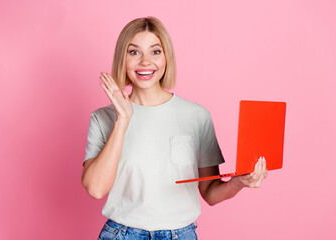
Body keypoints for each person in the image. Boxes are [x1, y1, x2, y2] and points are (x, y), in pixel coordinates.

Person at [81, 16, 267, 240]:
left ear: (166, 57)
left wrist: (238, 182)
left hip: (180, 235)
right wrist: (122, 120)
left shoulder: (197, 116)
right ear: (123, 58)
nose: (145, 62)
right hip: (121, 234)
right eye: (134, 52)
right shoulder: (103, 118)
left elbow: (210, 192)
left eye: (155, 51)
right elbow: (95, 189)